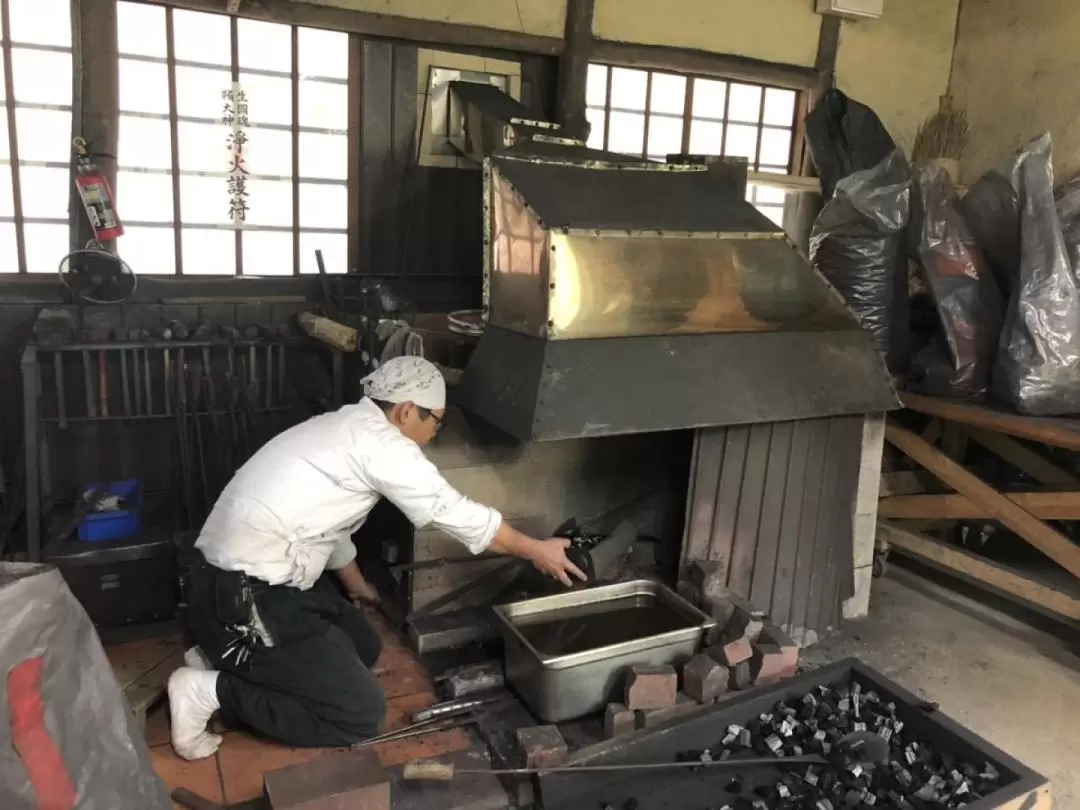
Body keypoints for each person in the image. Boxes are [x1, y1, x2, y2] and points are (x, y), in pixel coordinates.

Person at [167, 356, 586, 760]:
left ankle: (221, 653)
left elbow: (326, 529)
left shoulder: (345, 426)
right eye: (436, 422)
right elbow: (453, 512)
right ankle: (208, 688)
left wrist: (356, 586)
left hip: (255, 582)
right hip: (241, 595)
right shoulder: (381, 445)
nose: (435, 434)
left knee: (363, 646)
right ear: (406, 411)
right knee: (357, 715)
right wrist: (537, 550)